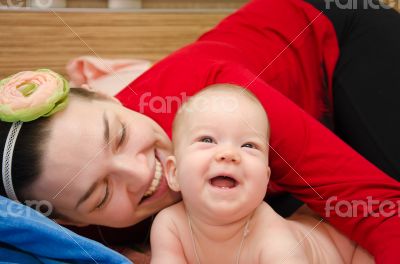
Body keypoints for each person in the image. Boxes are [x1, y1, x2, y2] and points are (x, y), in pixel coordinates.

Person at [0, 0, 400, 263]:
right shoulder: (97, 235)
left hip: (335, 42)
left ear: (111, 99)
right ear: (70, 222)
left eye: (120, 135)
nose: (145, 174)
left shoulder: (221, 102)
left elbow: (378, 208)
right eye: (102, 193)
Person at [150, 84, 373, 264]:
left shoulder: (268, 232)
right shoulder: (170, 225)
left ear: (265, 180)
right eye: (207, 140)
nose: (228, 154)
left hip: (349, 249)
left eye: (248, 145)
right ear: (174, 173)